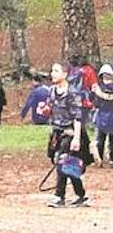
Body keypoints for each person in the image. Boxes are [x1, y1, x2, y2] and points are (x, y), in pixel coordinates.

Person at [46, 61, 93, 207]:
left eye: (56, 71)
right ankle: (81, 194)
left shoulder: (73, 93)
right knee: (68, 165)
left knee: (63, 160)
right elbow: (51, 110)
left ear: (65, 74)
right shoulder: (52, 91)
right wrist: (45, 110)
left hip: (71, 133)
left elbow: (78, 117)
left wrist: (77, 138)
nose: (52, 74)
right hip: (57, 132)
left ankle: (59, 196)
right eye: (52, 70)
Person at [93, 65, 113, 166]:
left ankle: (111, 159)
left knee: (110, 139)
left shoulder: (100, 88)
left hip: (110, 114)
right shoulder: (99, 86)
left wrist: (99, 93)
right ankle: (99, 158)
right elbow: (95, 102)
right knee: (100, 138)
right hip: (102, 114)